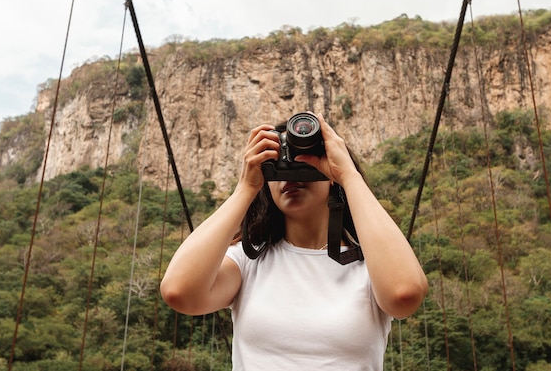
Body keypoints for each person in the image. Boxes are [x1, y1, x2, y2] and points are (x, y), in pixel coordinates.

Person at [160, 112, 428, 371]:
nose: (291, 173)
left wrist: (348, 175)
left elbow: (403, 294)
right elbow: (179, 292)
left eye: (306, 160)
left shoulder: (372, 265)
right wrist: (246, 186)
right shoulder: (247, 262)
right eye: (281, 163)